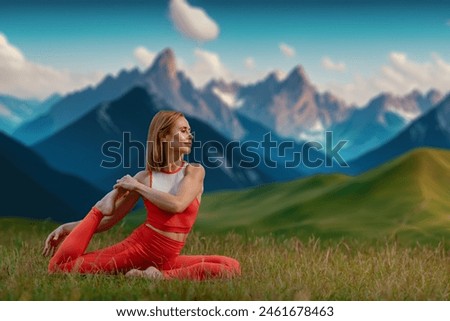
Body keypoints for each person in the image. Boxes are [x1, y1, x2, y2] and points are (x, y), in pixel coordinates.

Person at [42, 111, 241, 280]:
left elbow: (177, 204)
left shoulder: (194, 172)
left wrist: (137, 187)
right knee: (60, 268)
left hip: (167, 257)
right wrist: (66, 228)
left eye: (189, 131)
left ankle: (156, 275)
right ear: (163, 137)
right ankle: (100, 208)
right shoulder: (145, 178)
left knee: (231, 267)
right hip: (138, 250)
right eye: (182, 131)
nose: (190, 136)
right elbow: (110, 220)